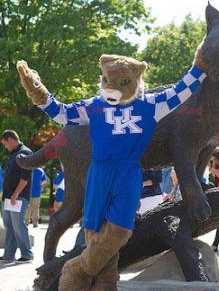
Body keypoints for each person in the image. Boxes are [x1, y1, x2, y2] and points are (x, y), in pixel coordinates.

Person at [16, 50, 206, 290]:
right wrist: (37, 91)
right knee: (95, 228)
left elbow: (181, 91)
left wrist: (199, 67)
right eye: (107, 80)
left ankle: (76, 268)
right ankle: (105, 282)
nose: (112, 88)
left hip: (127, 173)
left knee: (121, 229)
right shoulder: (94, 107)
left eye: (123, 82)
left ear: (135, 80)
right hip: (99, 172)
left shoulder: (150, 105)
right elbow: (62, 113)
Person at [0, 130, 34, 263]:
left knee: (18, 225)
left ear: (10, 140)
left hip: (17, 197)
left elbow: (25, 178)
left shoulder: (24, 153)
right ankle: (9, 254)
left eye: (5, 144)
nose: (5, 147)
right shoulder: (13, 153)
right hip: (8, 197)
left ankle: (27, 254)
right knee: (9, 226)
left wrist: (15, 194)